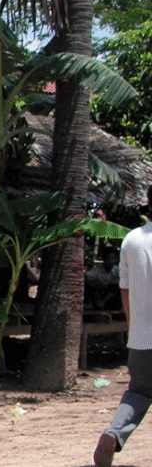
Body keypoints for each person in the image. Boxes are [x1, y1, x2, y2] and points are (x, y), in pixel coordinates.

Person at [94, 186, 152, 467]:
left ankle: (114, 432)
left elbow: (125, 290)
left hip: (141, 336)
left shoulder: (131, 240)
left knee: (139, 391)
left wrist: (134, 328)